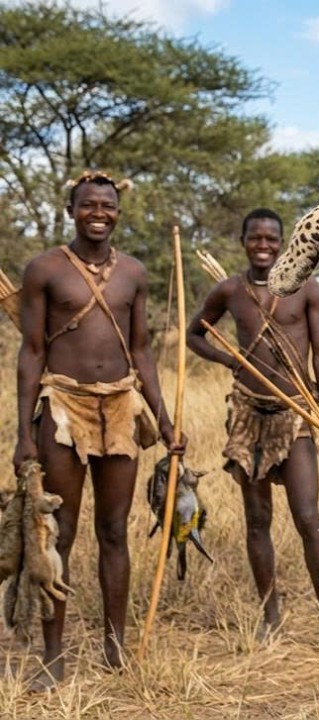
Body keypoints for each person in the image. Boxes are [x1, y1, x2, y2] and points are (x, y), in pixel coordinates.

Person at [12, 171, 184, 690]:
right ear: (71, 211)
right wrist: (23, 433)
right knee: (56, 534)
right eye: (88, 204)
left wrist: (164, 418)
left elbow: (142, 352)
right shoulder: (44, 269)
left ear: (118, 212)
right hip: (63, 405)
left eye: (107, 205)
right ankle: (52, 654)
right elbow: (32, 351)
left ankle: (115, 647)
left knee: (114, 531)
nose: (99, 212)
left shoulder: (133, 272)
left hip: (120, 409)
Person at [186, 208, 319, 650]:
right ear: (243, 241)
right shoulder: (230, 291)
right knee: (257, 520)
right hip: (248, 414)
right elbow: (194, 335)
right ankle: (269, 617)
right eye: (255, 237)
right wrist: (231, 361)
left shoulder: (305, 288)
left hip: (295, 412)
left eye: (271, 238)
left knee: (308, 518)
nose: (263, 244)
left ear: (282, 243)